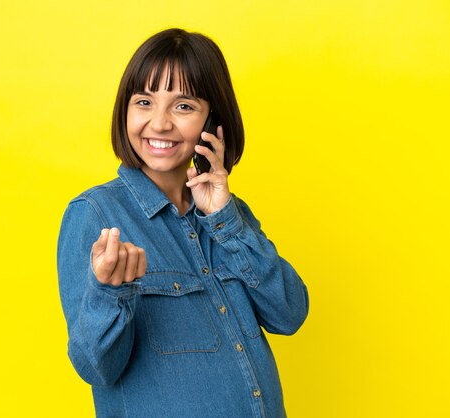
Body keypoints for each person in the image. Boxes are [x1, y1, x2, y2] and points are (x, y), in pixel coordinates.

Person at [57, 28, 309, 418]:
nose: (159, 123)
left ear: (214, 121)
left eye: (184, 106)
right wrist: (110, 294)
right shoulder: (98, 215)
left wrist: (226, 222)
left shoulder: (230, 213)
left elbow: (289, 314)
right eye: (144, 101)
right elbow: (95, 368)